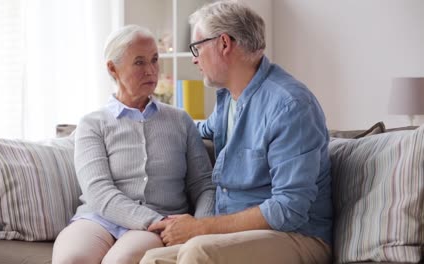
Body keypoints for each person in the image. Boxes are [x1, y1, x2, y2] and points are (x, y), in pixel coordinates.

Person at [141, 1, 332, 264]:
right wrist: (133, 126)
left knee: (199, 252)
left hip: (298, 237)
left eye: (197, 47)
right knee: (150, 258)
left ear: (223, 44)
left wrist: (201, 227)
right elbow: (190, 131)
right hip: (235, 238)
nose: (195, 58)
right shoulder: (227, 102)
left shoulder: (290, 106)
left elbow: (289, 209)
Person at [52, 25, 215, 264]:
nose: (151, 70)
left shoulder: (180, 120)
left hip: (157, 225)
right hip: (100, 219)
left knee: (120, 261)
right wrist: (151, 220)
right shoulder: (92, 124)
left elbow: (203, 184)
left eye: (155, 60)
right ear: (112, 68)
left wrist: (198, 228)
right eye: (139, 62)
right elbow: (98, 191)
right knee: (71, 259)